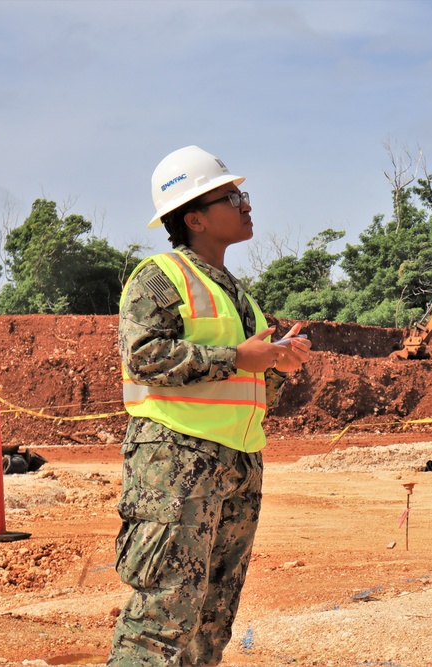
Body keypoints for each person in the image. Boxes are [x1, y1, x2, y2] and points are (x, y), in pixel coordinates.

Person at [108, 145, 311, 666]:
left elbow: (246, 384)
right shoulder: (160, 276)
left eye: (242, 195)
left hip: (236, 464)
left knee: (212, 616)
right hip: (176, 461)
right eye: (231, 196)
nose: (246, 204)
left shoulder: (237, 293)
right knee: (163, 615)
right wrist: (237, 355)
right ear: (194, 217)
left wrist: (276, 364)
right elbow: (144, 356)